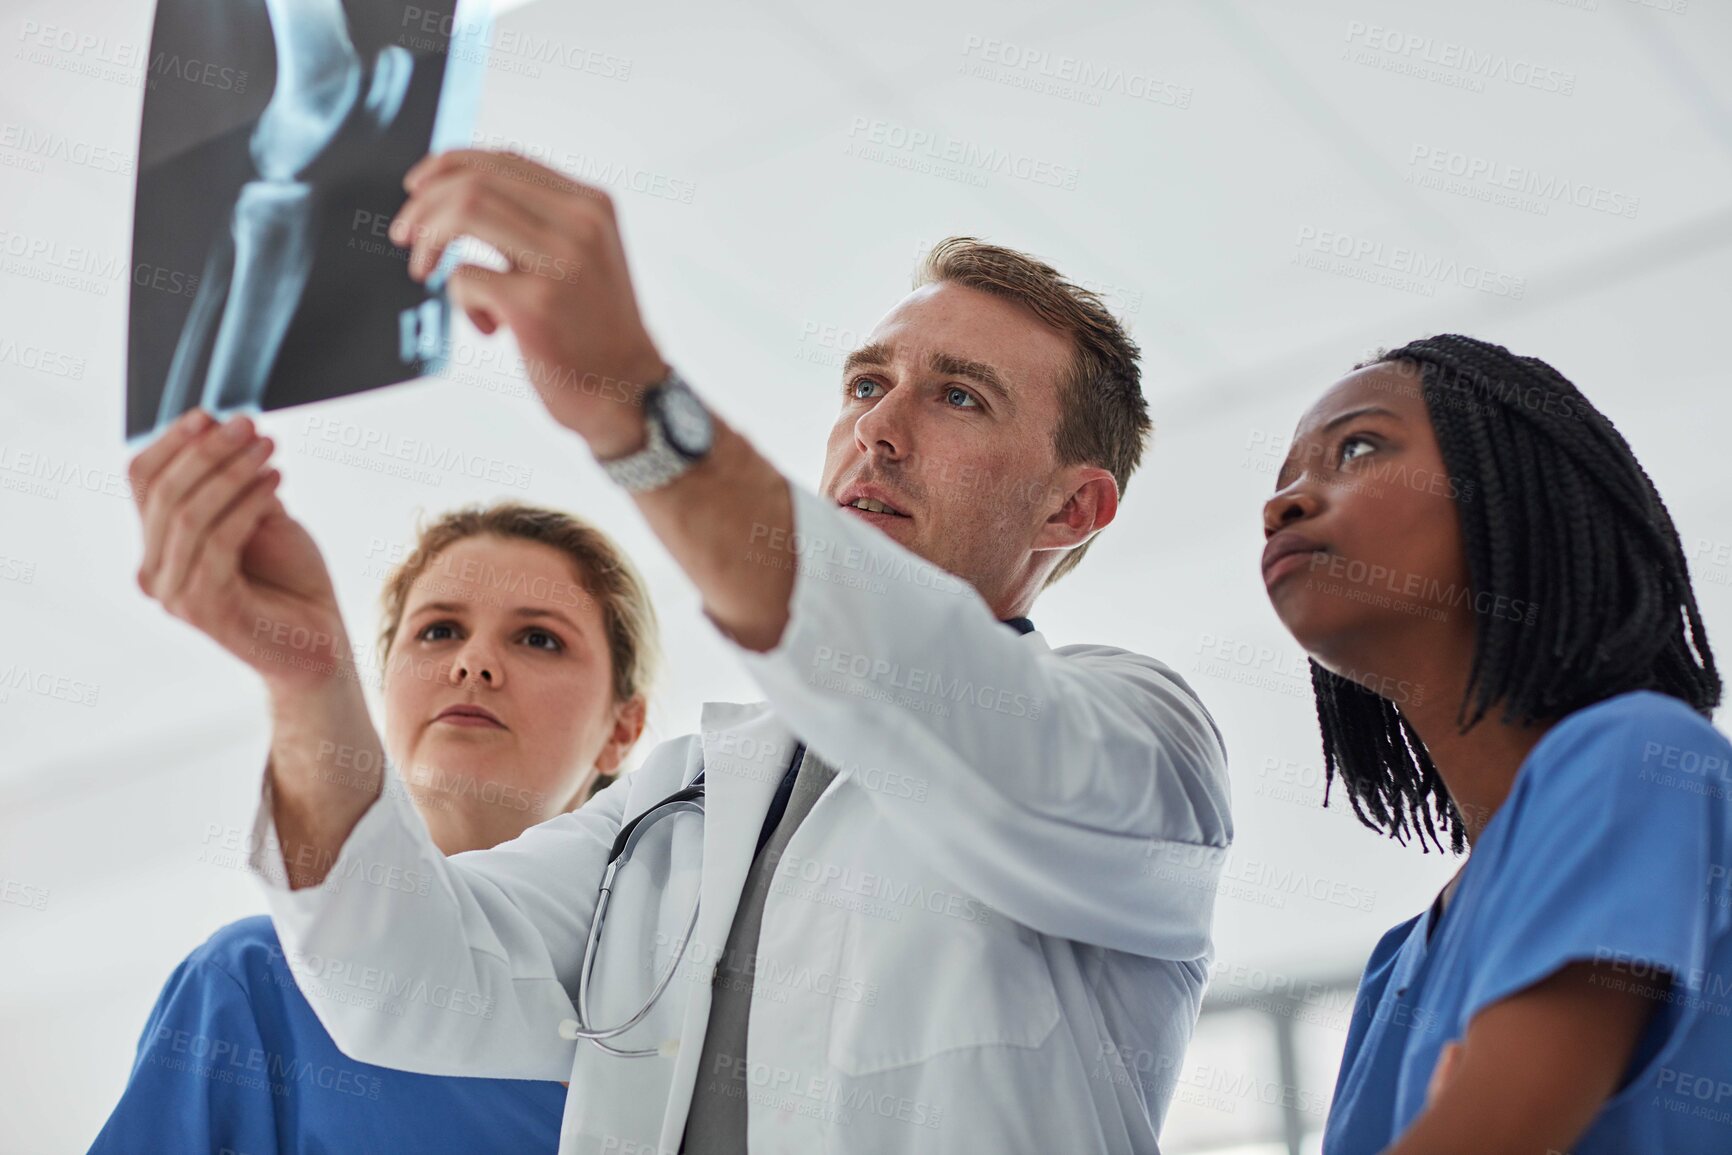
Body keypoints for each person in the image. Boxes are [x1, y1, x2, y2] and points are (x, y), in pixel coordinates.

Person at [126, 147, 1233, 1155]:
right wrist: (306, 674)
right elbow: (404, 975)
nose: (878, 431)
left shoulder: (1141, 744)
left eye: (956, 396)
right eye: (864, 384)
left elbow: (934, 692)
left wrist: (637, 410)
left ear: (1071, 511)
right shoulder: (685, 798)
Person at [1260, 333, 1730, 1154]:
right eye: (1283, 480)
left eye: (1358, 447)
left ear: (1513, 490)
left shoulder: (1642, 757)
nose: (1285, 503)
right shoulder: (1394, 966)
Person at [92, 498, 660, 1154]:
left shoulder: (681, 1005)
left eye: (539, 638)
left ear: (623, 729)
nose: (473, 664)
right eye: (439, 630)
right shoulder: (254, 987)